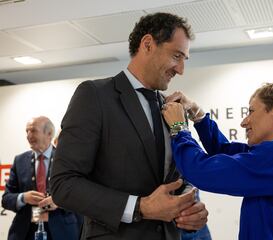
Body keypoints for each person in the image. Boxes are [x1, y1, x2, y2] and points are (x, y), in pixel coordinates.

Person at [50, 12, 208, 240]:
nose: (181, 69)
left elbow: (180, 176)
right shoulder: (94, 96)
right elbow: (64, 185)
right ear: (147, 44)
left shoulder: (172, 108)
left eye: (185, 59)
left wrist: (190, 208)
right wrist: (140, 206)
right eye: (176, 56)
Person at [162, 81, 273, 239]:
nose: (244, 122)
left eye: (251, 111)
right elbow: (223, 151)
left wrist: (178, 127)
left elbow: (200, 171)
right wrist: (198, 115)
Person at [1, 116, 82, 240]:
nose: (28, 136)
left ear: (49, 134)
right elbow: (6, 199)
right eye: (26, 131)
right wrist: (23, 198)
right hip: (25, 232)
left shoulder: (68, 160)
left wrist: (59, 201)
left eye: (33, 131)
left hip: (62, 232)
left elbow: (81, 196)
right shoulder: (19, 161)